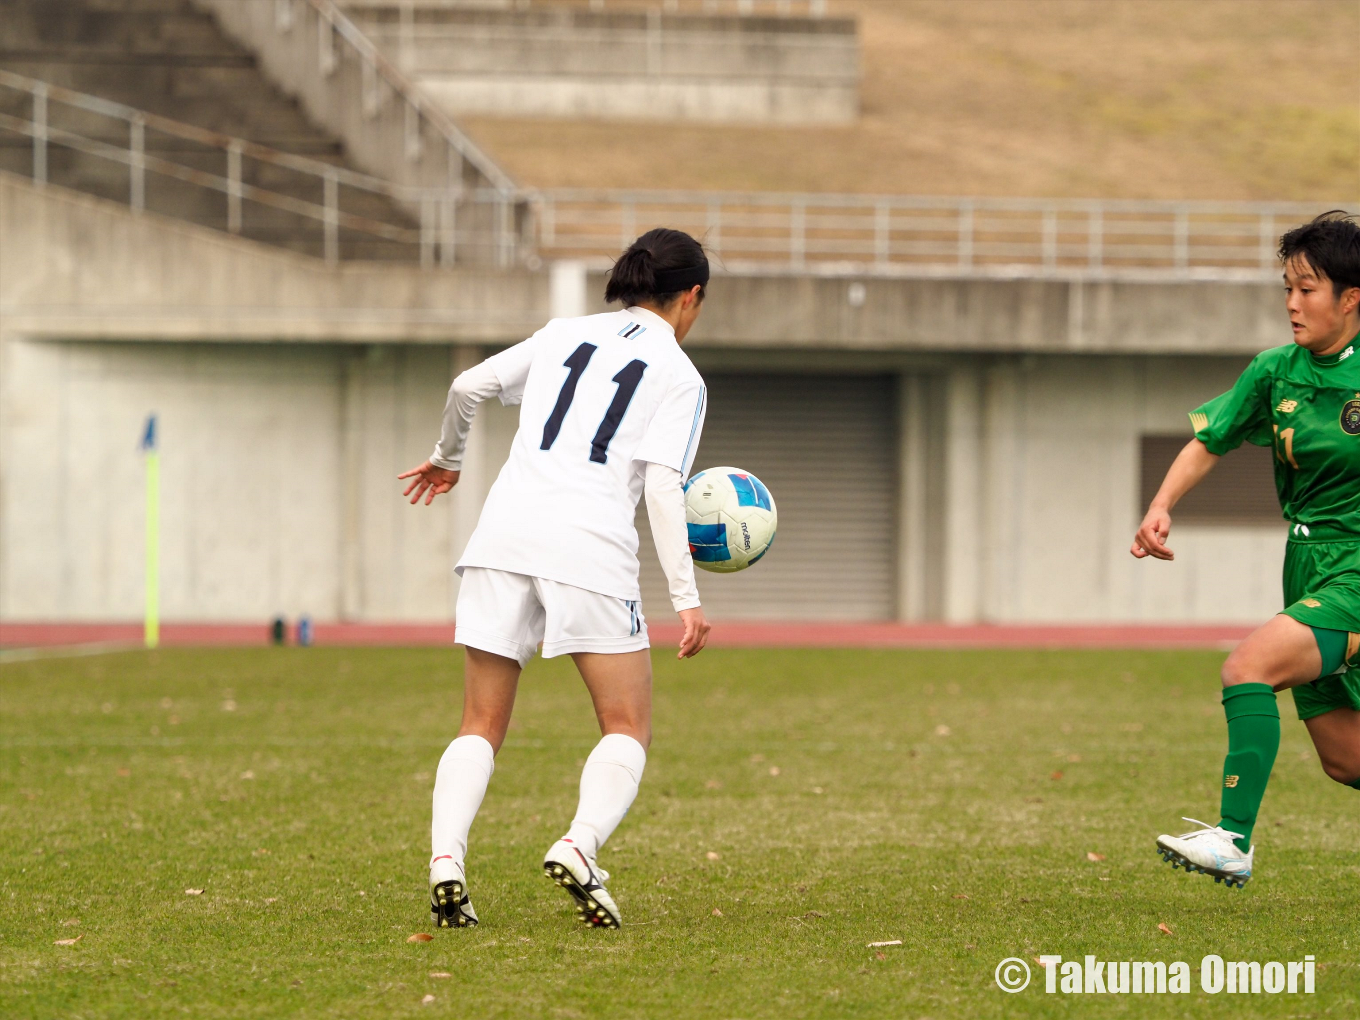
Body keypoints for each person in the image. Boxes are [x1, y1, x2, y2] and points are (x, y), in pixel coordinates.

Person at [398, 228, 713, 929]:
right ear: (690, 297)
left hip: (502, 536)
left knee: (479, 723)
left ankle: (446, 860)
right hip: (589, 550)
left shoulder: (565, 332)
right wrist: (687, 600)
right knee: (626, 724)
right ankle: (580, 845)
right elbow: (664, 486)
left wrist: (447, 457)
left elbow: (467, 385)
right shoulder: (680, 377)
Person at [1132, 212, 1360, 888]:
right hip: (1307, 564)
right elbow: (1211, 439)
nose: (1292, 304)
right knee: (1346, 760)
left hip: (1356, 567)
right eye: (1286, 289)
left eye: (1308, 289)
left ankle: (1233, 840)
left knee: (1247, 668)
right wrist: (1160, 504)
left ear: (1351, 298)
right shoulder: (1275, 372)